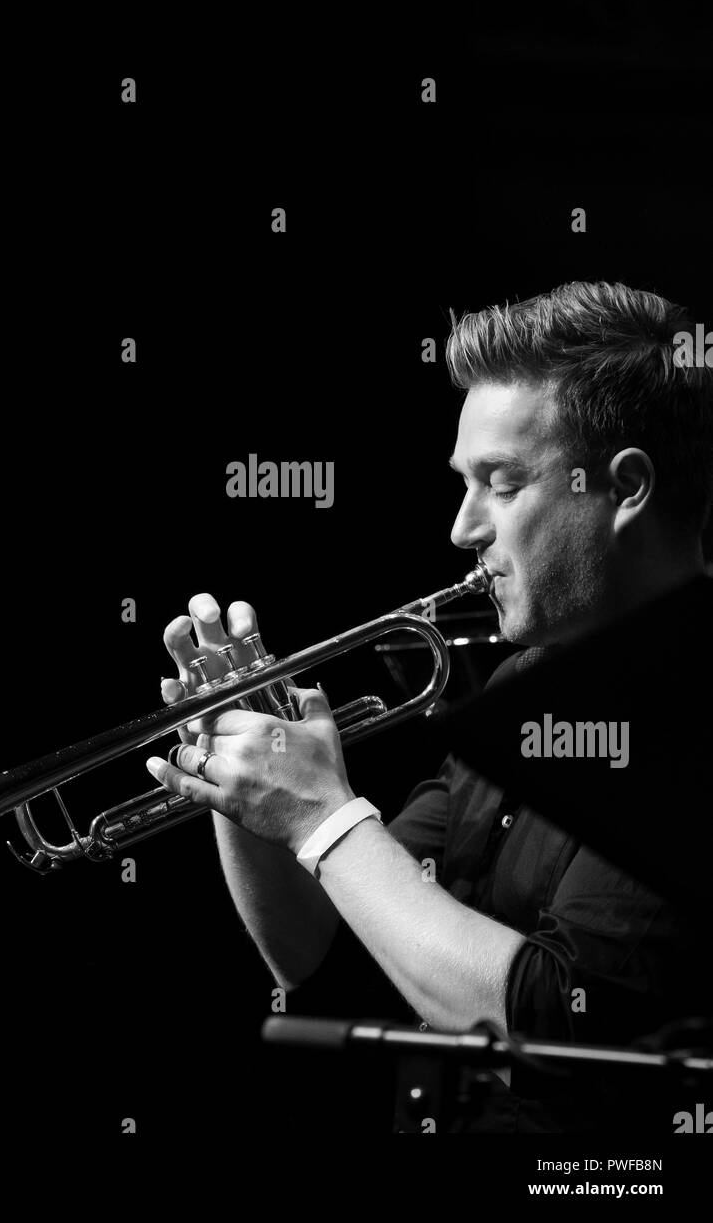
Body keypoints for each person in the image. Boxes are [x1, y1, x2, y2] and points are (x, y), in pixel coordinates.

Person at [147, 280, 713, 1131]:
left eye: (500, 481)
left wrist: (323, 819)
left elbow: (557, 1021)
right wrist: (243, 765)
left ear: (624, 488)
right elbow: (331, 952)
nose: (462, 527)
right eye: (463, 481)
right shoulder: (526, 687)